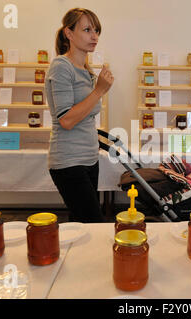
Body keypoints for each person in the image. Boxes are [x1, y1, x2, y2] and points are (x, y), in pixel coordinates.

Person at [45, 8, 114, 222]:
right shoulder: (61, 67)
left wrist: (98, 88)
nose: (94, 36)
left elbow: (85, 114)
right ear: (69, 33)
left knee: (82, 225)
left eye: (96, 30)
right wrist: (100, 90)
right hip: (68, 161)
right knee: (94, 223)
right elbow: (66, 120)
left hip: (89, 159)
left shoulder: (85, 69)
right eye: (87, 29)